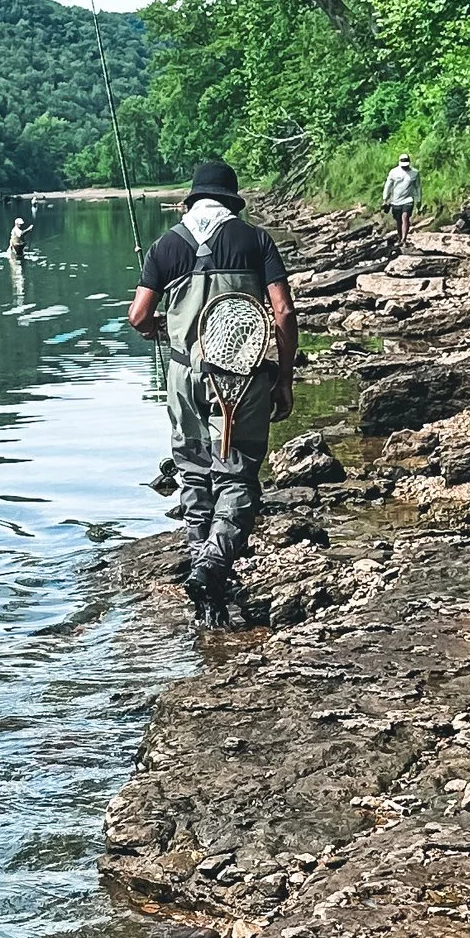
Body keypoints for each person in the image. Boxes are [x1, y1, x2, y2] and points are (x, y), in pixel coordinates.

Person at [127, 160, 299, 623]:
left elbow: (139, 318)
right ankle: (212, 567)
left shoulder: (167, 245)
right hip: (242, 378)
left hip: (184, 376)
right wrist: (283, 379)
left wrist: (167, 328)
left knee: (195, 474)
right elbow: (282, 312)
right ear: (231, 200)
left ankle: (206, 573)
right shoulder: (254, 240)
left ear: (193, 199)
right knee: (237, 476)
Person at [382, 153, 422, 249]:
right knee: (398, 220)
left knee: (405, 217)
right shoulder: (393, 172)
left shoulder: (415, 173)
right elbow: (388, 186)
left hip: (408, 200)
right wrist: (385, 199)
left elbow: (418, 187)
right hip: (395, 201)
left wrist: (419, 199)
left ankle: (404, 239)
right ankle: (400, 238)